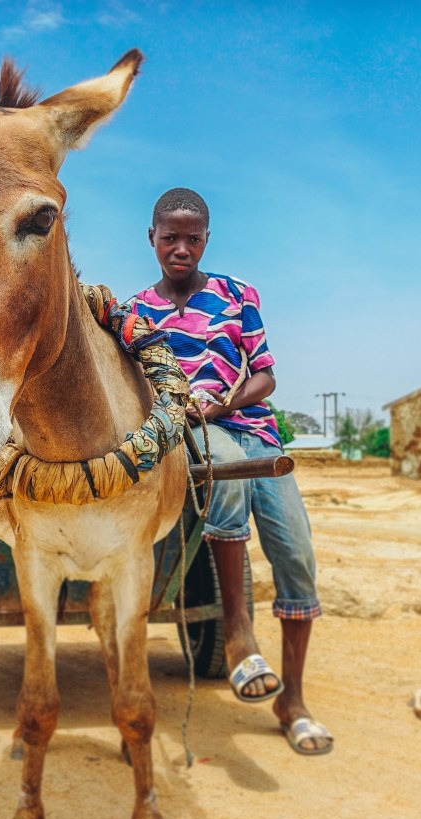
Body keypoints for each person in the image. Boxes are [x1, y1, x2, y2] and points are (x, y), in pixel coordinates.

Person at [132, 187, 333, 756]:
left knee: (296, 551)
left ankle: (292, 699)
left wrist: (223, 402)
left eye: (192, 239)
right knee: (225, 470)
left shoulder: (236, 295)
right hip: (191, 435)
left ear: (206, 240)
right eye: (170, 238)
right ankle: (239, 637)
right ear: (152, 239)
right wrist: (187, 411)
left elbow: (265, 376)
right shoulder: (135, 311)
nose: (181, 248)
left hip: (253, 428)